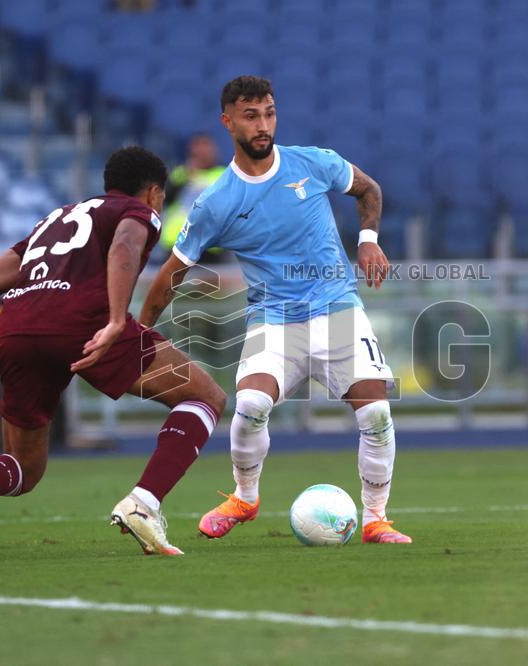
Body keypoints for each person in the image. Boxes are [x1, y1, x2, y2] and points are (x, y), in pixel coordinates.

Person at [0, 147, 226, 564]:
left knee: (24, 466)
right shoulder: (138, 212)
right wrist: (117, 320)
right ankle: (143, 503)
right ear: (153, 193)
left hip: (17, 329)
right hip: (83, 323)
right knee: (204, 396)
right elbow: (124, 249)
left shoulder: (56, 218)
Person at [140, 76, 411, 545]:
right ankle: (244, 498)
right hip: (274, 316)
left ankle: (375, 519)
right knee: (250, 404)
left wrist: (368, 241)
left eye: (268, 112)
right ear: (228, 123)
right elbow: (171, 275)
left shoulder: (314, 162)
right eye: (250, 116)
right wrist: (136, 332)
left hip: (337, 307)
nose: (263, 124)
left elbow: (369, 190)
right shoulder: (217, 201)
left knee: (377, 416)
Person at [159, 133, 226, 261]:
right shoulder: (180, 173)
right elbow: (165, 200)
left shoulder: (224, 175)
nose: (201, 153)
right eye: (197, 149)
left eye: (205, 148)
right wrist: (186, 177)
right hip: (177, 242)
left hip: (210, 246)